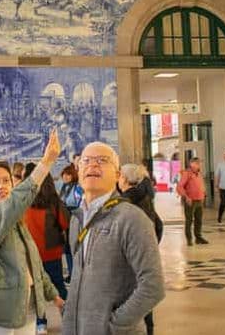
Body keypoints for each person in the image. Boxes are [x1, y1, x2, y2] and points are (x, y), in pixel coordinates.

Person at [61, 142, 165, 335]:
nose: (93, 165)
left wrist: (114, 326)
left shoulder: (131, 218)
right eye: (86, 161)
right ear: (78, 170)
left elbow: (153, 285)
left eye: (102, 160)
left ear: (118, 175)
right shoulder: (77, 220)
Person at [0, 130, 64, 334]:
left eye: (6, 181)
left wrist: (52, 294)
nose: (1, 186)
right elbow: (11, 205)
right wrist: (45, 163)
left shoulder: (16, 220)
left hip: (26, 306)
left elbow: (32, 262)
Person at [118, 164, 164, 335]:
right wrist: (151, 245)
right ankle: (149, 328)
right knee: (142, 289)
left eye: (119, 176)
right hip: (142, 252)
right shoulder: (144, 196)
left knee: (132, 292)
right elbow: (159, 224)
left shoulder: (126, 201)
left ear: (124, 179)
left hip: (129, 255)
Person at [23, 175, 69, 335]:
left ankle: (41, 323)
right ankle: (68, 318)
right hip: (51, 251)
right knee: (58, 285)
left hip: (30, 253)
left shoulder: (25, 200)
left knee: (37, 289)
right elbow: (64, 223)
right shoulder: (55, 202)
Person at [58, 164, 82, 283]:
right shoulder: (63, 188)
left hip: (74, 217)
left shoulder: (77, 187)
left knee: (74, 246)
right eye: (64, 175)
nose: (65, 177)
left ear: (73, 175)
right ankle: (71, 272)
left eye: (68, 175)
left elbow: (79, 203)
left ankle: (76, 273)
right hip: (65, 218)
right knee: (67, 247)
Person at [177, 157, 208, 245]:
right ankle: (189, 239)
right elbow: (180, 186)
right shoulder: (187, 173)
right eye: (196, 163)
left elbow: (201, 185)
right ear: (191, 164)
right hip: (190, 201)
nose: (198, 165)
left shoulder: (199, 173)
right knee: (189, 220)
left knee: (199, 220)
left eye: (199, 163)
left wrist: (203, 193)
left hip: (199, 200)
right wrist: (186, 197)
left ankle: (198, 237)